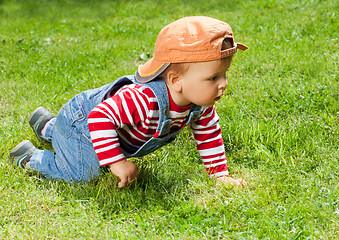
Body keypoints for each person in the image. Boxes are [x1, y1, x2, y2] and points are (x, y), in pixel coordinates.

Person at [10, 16, 248, 189]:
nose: (223, 83)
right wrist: (117, 162)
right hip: (83, 124)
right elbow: (100, 118)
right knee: (83, 174)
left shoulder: (200, 105)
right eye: (213, 77)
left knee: (87, 150)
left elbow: (209, 135)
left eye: (224, 74)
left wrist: (219, 175)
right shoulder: (144, 99)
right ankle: (32, 158)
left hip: (98, 127)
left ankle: (49, 127)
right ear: (176, 80)